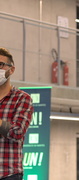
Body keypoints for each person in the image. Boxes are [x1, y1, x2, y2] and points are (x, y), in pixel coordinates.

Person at [0, 47, 34, 180]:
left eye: (0, 65)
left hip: (8, 174)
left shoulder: (22, 98)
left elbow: (17, 131)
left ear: (11, 69)